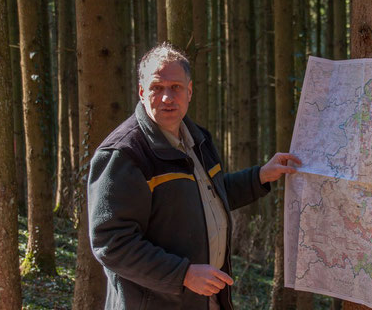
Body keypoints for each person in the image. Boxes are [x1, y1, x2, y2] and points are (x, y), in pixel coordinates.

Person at [88, 43, 301, 310]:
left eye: (176, 87)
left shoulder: (198, 139)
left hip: (205, 300)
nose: (167, 97)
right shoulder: (125, 154)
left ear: (189, 92)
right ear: (142, 92)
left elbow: (209, 196)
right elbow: (112, 243)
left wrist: (260, 176)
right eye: (157, 87)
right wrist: (183, 274)